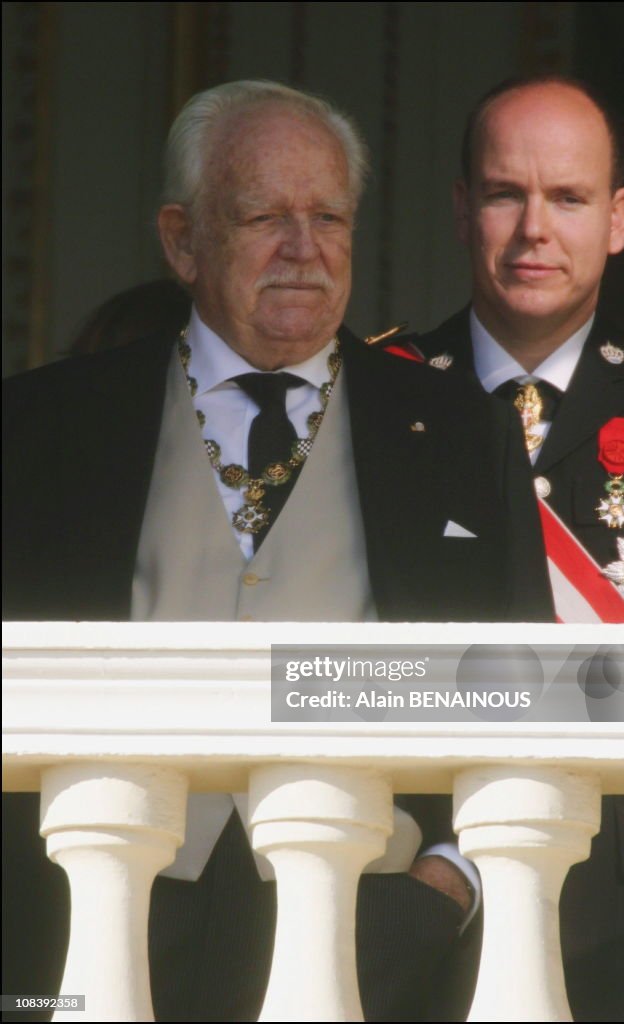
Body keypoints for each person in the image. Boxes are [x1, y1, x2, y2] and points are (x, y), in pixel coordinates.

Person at [2, 80, 522, 1023]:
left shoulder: (458, 432)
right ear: (181, 240)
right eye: (261, 216)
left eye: (329, 216)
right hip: (94, 896)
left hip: (371, 907)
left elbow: (525, 681)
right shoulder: (43, 426)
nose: (303, 249)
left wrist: (449, 880)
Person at [402, 75, 624, 1021]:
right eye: (503, 193)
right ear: (460, 208)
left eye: (567, 198)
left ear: (618, 218)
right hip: (419, 882)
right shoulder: (375, 397)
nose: (533, 230)